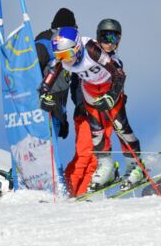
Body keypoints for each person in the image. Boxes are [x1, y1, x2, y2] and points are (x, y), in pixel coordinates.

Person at [49, 21, 144, 192]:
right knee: (97, 134)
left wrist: (112, 95)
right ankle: (106, 167)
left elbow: (119, 75)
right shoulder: (72, 55)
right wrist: (44, 93)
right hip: (90, 95)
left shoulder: (97, 54)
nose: (109, 42)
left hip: (109, 92)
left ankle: (134, 166)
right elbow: (53, 74)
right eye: (104, 37)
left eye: (113, 38)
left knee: (121, 128)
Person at [37, 8, 76, 194]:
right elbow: (31, 72)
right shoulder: (45, 43)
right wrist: (40, 98)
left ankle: (54, 187)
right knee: (45, 150)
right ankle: (56, 188)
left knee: (50, 149)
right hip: (44, 107)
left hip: (56, 109)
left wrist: (64, 118)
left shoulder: (68, 49)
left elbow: (66, 86)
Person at [64, 73, 98, 196]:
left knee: (95, 159)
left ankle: (81, 193)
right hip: (85, 114)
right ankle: (68, 189)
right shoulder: (83, 62)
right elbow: (75, 87)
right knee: (84, 154)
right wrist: (81, 104)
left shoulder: (106, 63)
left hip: (100, 115)